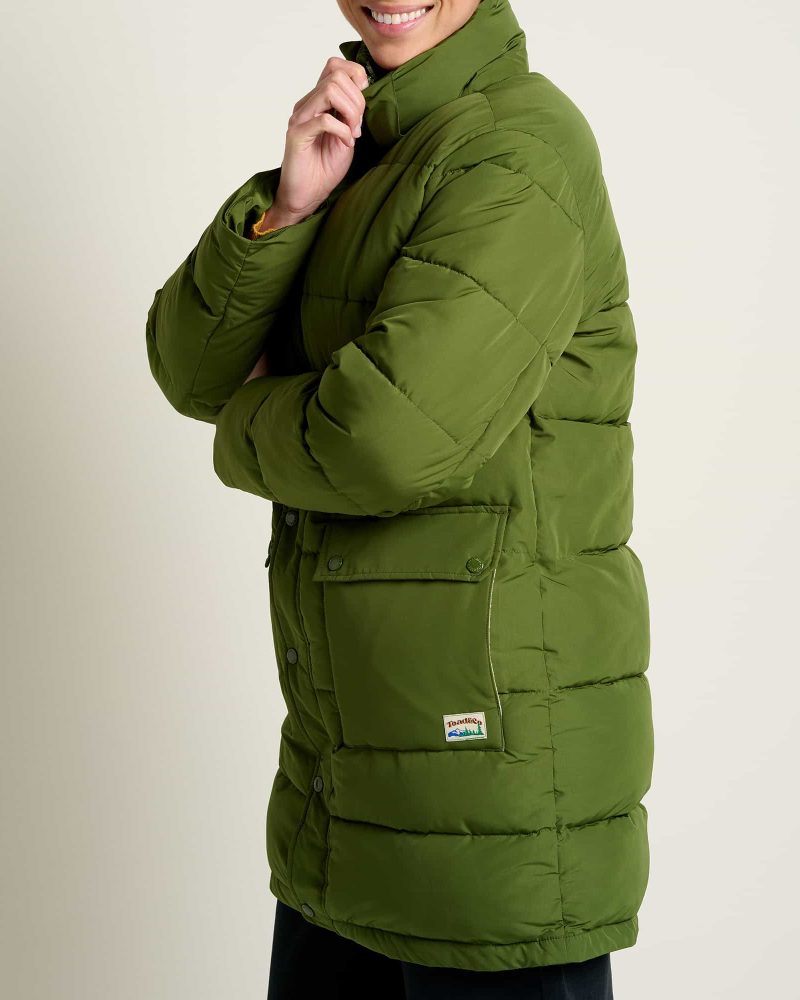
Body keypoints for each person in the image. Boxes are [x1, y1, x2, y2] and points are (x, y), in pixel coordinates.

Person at [145, 0, 653, 996]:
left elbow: (384, 439)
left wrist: (249, 417)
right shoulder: (366, 146)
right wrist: (289, 208)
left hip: (487, 798)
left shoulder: (518, 152)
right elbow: (188, 368)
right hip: (344, 786)